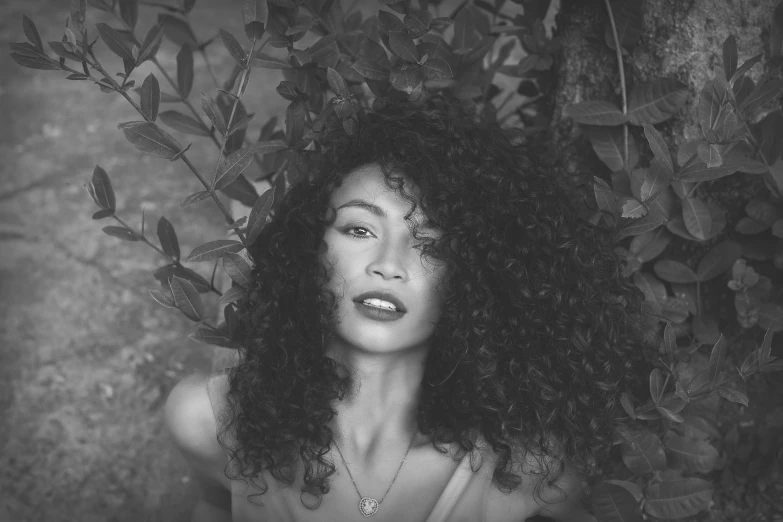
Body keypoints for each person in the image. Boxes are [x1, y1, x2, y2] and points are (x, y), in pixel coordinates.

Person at [163, 96, 651, 521]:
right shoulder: (210, 422)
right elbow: (213, 503)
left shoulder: (525, 468)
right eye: (359, 229)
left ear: (475, 280)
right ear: (309, 249)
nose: (388, 265)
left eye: (430, 244)